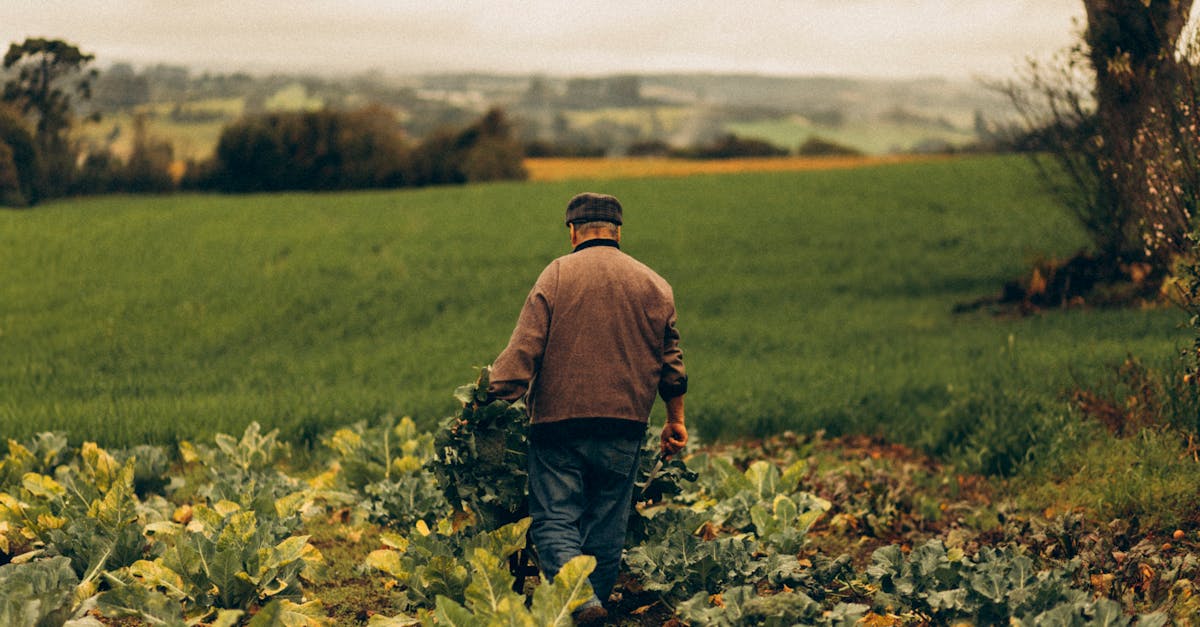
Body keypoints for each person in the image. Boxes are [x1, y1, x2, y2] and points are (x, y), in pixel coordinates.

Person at [487, 192, 688, 623]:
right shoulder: (654, 283)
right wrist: (675, 420)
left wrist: (489, 398)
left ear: (572, 231)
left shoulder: (557, 275)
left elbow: (523, 351)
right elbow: (672, 365)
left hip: (558, 426)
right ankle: (593, 606)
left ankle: (581, 605)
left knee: (555, 520)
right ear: (618, 231)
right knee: (606, 525)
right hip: (625, 425)